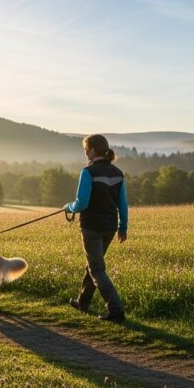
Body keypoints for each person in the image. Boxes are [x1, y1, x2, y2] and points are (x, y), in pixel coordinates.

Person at [64, 134, 127, 322]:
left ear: (92, 150)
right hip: (110, 227)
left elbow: (81, 203)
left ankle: (116, 310)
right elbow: (122, 204)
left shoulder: (88, 172)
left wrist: (68, 207)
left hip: (91, 227)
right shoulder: (117, 172)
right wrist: (123, 227)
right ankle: (82, 302)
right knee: (93, 266)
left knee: (97, 269)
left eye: (86, 150)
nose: (85, 153)